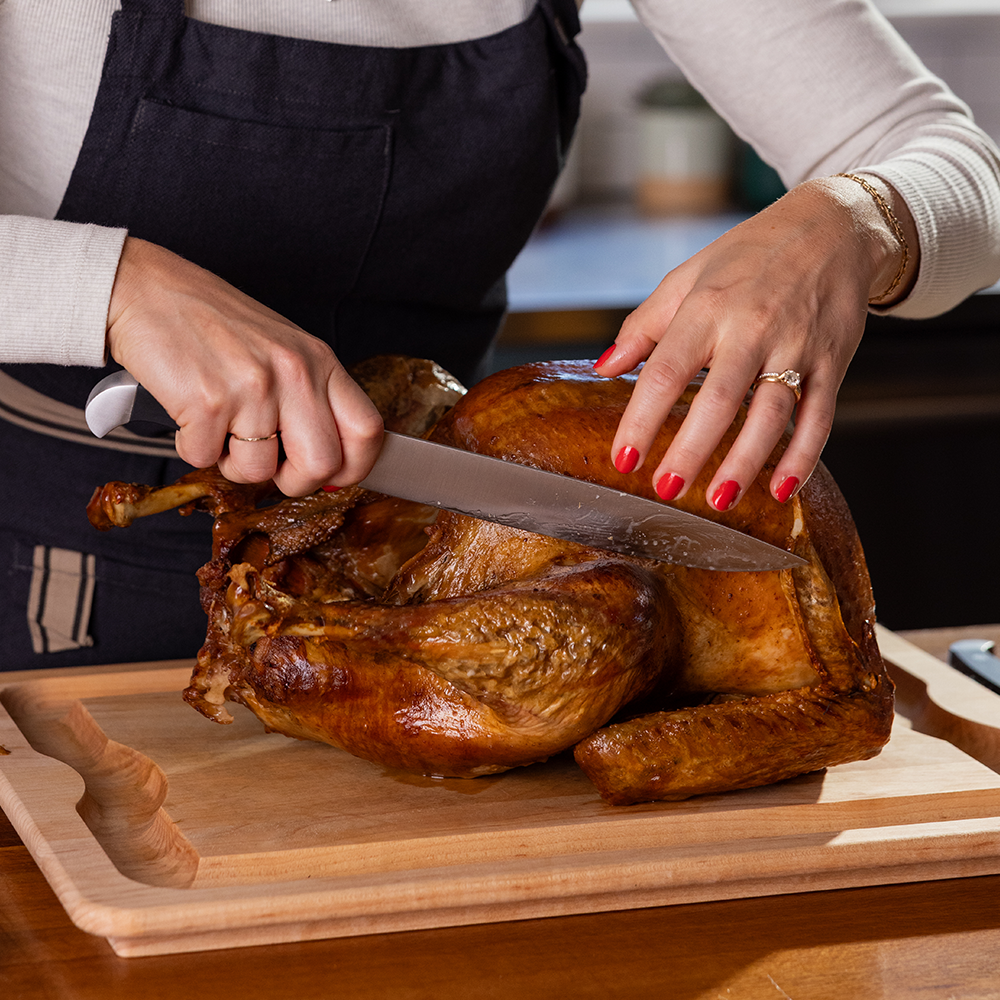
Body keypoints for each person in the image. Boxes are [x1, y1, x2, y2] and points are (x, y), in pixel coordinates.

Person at [0, 0, 997, 670]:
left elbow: (964, 169)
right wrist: (118, 285)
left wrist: (854, 218)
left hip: (440, 591)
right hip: (56, 582)